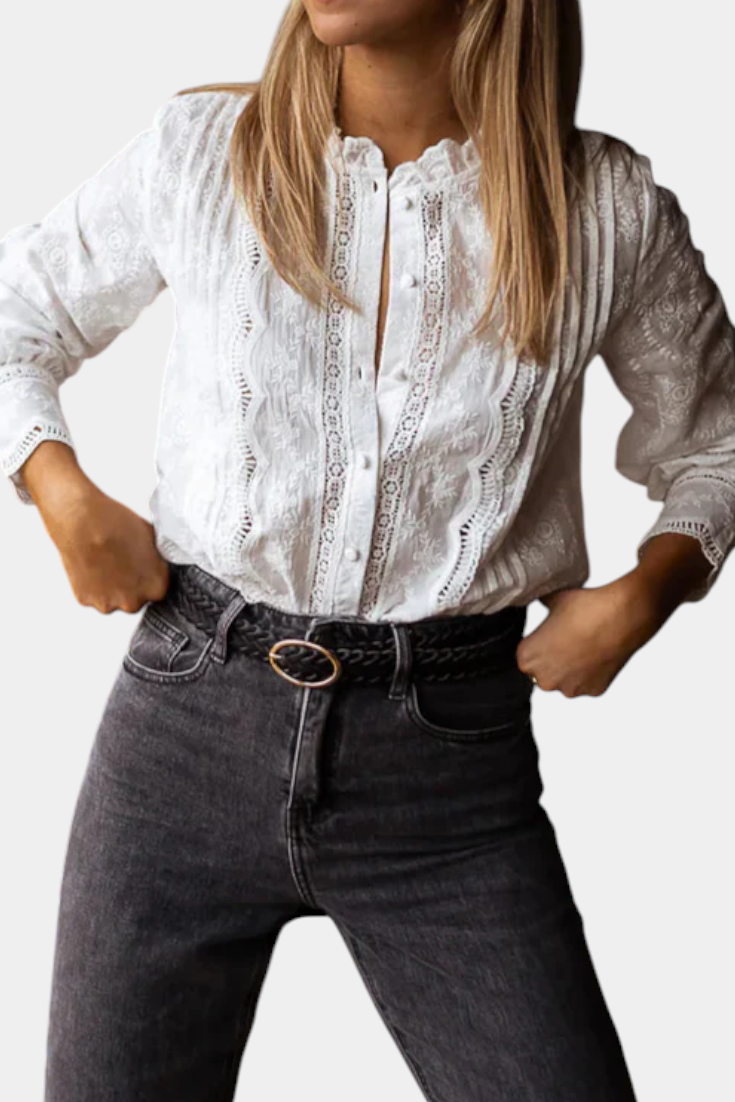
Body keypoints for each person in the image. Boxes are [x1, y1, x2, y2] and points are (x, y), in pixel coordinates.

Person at [2, 1, 734, 1099]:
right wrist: (61, 494)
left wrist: (650, 589)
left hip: (450, 772)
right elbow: (14, 317)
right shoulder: (203, 153)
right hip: (181, 738)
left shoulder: (603, 206)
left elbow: (716, 441)